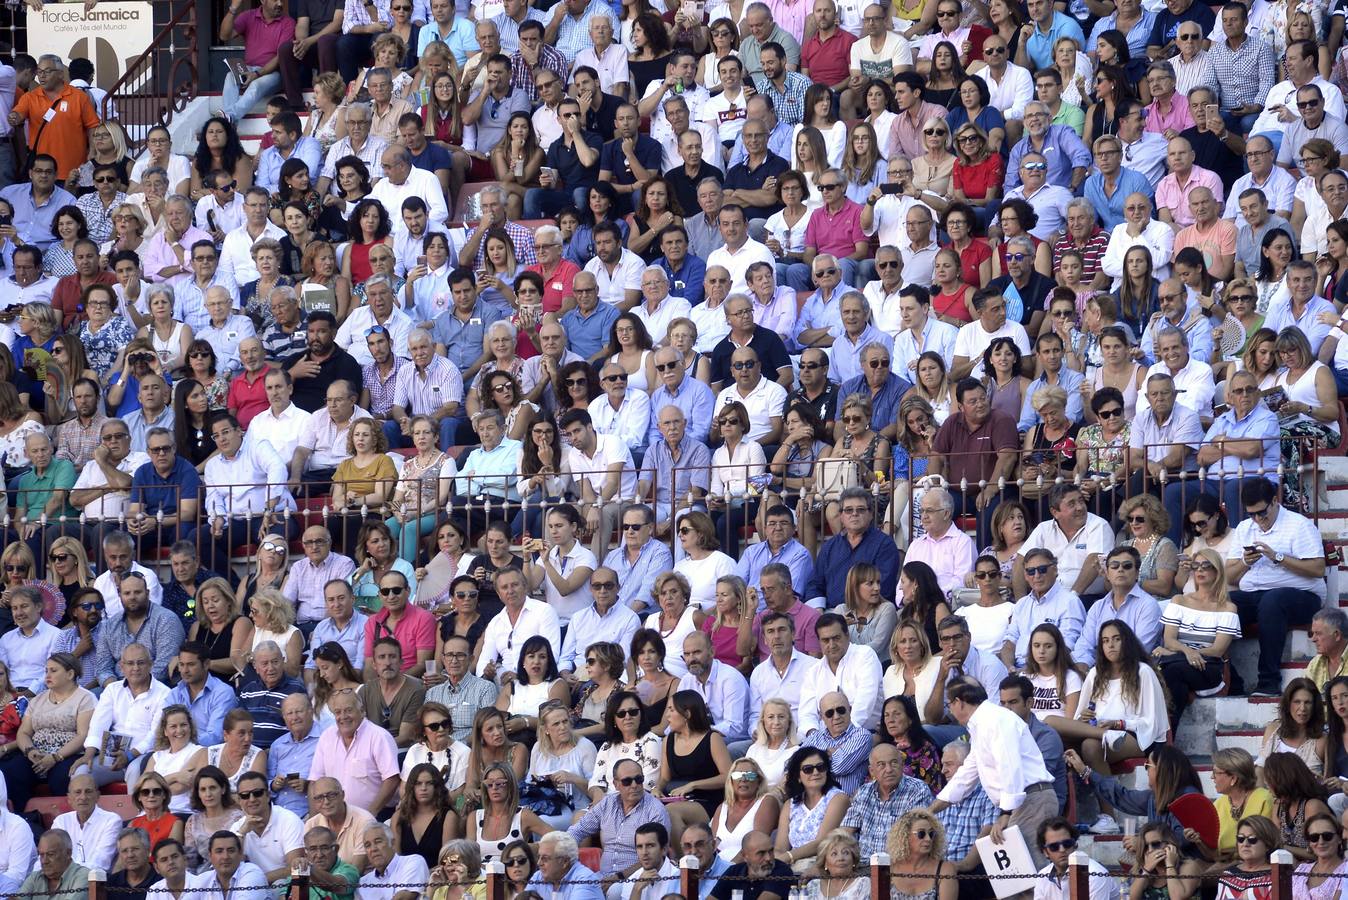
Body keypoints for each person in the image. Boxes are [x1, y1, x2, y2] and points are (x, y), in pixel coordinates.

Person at [929, 680, 1057, 868]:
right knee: (1016, 884)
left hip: (1031, 800)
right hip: (1022, 803)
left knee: (1033, 878)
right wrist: (930, 811)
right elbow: (965, 777)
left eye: (949, 705)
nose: (951, 711)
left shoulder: (995, 719)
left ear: (959, 702)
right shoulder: (981, 726)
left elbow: (1009, 766)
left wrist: (1005, 813)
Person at [1227, 478, 1326, 697]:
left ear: (1274, 501)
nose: (1257, 519)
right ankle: (1229, 680)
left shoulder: (1298, 524)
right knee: (1222, 606)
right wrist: (1245, 562)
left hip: (1302, 596)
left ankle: (1269, 682)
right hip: (1256, 594)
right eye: (1251, 514)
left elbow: (1318, 568)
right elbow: (1229, 577)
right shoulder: (1245, 528)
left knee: (1272, 602)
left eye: (1261, 512)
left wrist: (1278, 557)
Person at [15, 830, 88, 900]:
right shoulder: (35, 878)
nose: (44, 861)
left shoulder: (83, 876)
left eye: (50, 854)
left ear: (68, 853)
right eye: (41, 855)